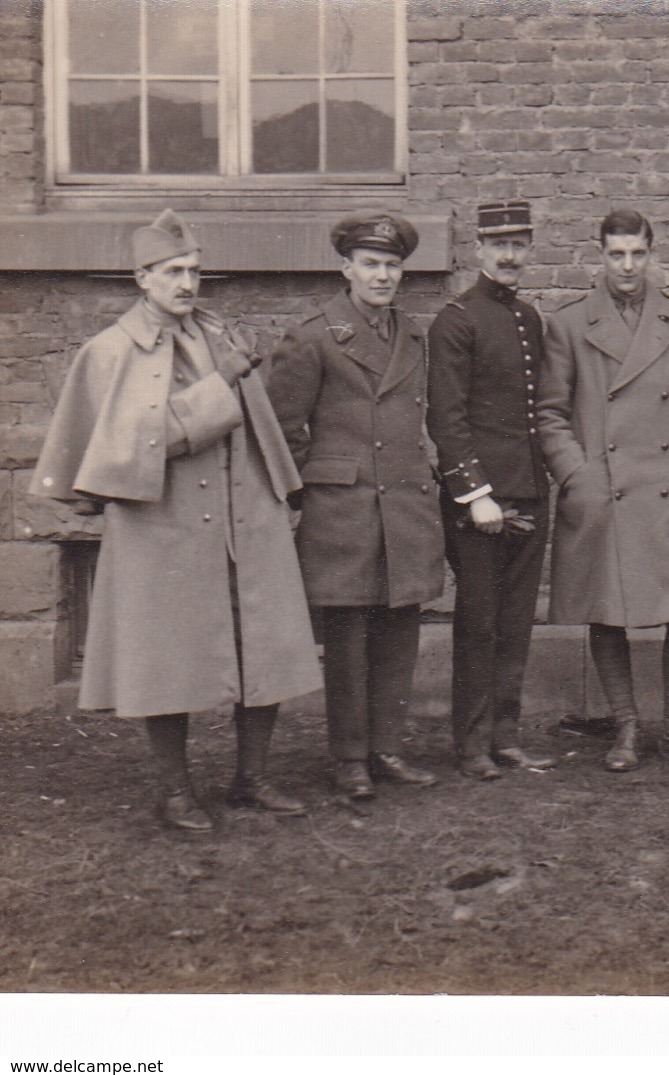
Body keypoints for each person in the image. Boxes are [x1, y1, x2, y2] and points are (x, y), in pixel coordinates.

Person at [30, 209, 321, 831]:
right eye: (172, 272)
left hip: (246, 518)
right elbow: (135, 448)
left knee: (260, 646)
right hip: (164, 526)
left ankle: (252, 778)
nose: (187, 284)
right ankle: (175, 789)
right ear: (142, 277)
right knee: (165, 659)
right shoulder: (110, 353)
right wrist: (221, 386)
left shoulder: (218, 335)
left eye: (193, 271)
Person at [535, 209, 669, 772]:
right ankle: (625, 729)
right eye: (616, 254)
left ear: (651, 254)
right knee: (608, 613)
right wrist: (578, 474)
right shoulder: (571, 324)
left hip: (668, 487)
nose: (627, 266)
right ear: (600, 255)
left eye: (637, 254)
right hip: (605, 489)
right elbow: (549, 414)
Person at [266, 211, 444, 801]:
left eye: (393, 265)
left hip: (405, 506)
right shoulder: (315, 335)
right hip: (341, 512)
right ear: (347, 268)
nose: (383, 275)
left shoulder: (414, 335)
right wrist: (313, 487)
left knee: (398, 633)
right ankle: (348, 759)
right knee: (347, 641)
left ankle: (386, 748)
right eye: (371, 264)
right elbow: (281, 426)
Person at [427, 200, 561, 781]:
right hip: (481, 501)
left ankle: (506, 736)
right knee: (479, 622)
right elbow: (446, 418)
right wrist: (473, 493)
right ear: (478, 249)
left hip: (530, 492)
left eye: (520, 244)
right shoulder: (456, 320)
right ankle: (472, 742)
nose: (510, 255)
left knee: (516, 622)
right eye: (499, 244)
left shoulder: (529, 319)